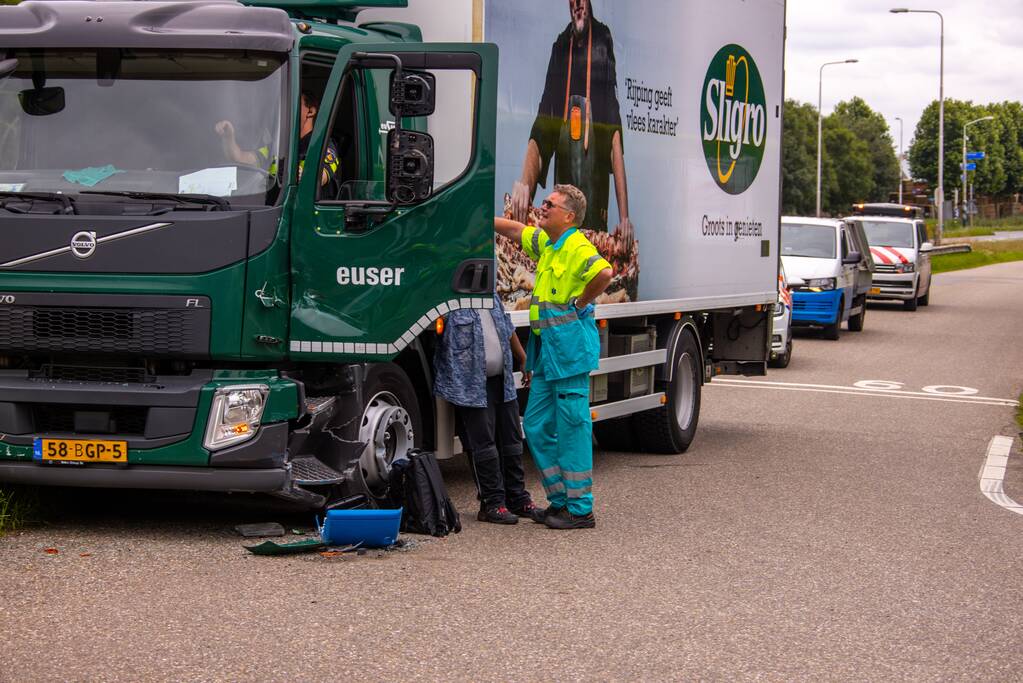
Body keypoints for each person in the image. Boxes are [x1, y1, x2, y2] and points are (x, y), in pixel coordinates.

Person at [494, 184, 612, 530]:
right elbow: (516, 231)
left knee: (572, 428)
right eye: (544, 203)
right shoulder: (550, 243)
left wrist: (580, 302)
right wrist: (483, 218)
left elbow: (604, 273)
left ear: (569, 216)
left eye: (550, 204)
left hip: (570, 352)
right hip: (547, 354)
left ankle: (580, 510)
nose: (542, 208)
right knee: (535, 424)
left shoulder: (576, 245)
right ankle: (560, 500)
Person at [510, 0, 632, 247]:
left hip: (595, 197)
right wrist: (524, 184)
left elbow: (613, 135)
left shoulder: (601, 40)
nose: (577, 4)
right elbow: (543, 124)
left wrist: (625, 217)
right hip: (563, 197)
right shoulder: (561, 46)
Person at [433, 293, 541, 525]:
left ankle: (517, 498)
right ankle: (492, 503)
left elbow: (507, 326)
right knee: (484, 446)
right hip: (470, 386)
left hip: (501, 382)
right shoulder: (449, 300)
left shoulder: (490, 295)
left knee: (512, 440)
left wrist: (523, 358)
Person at [215, 89, 339, 195]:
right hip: (274, 211)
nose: (285, 111)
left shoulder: (323, 146)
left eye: (293, 104)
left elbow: (320, 177)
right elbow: (239, 158)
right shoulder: (278, 146)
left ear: (311, 112)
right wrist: (228, 136)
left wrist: (304, 175)